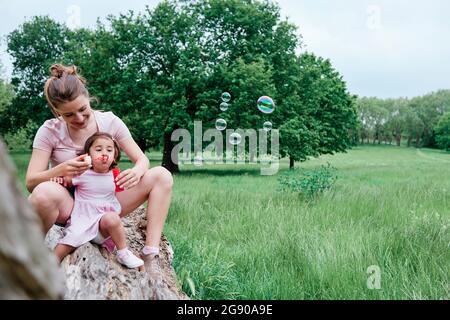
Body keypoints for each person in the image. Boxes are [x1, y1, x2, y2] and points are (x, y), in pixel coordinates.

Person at [27, 64, 173, 274]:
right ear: (56, 112)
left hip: (106, 204)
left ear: (89, 99)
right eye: (68, 115)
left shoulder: (109, 121)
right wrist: (60, 169)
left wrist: (136, 171)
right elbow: (31, 182)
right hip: (71, 208)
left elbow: (142, 160)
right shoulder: (49, 130)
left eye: (83, 110)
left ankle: (150, 254)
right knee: (42, 194)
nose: (78, 118)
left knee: (162, 176)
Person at [53, 132, 144, 269]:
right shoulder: (82, 173)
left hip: (103, 227)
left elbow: (128, 188)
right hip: (84, 220)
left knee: (113, 219)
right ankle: (49, 266)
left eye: (109, 150)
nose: (104, 154)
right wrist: (58, 179)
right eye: (98, 149)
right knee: (69, 240)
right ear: (88, 155)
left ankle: (123, 253)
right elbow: (66, 181)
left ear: (114, 157)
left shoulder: (115, 175)